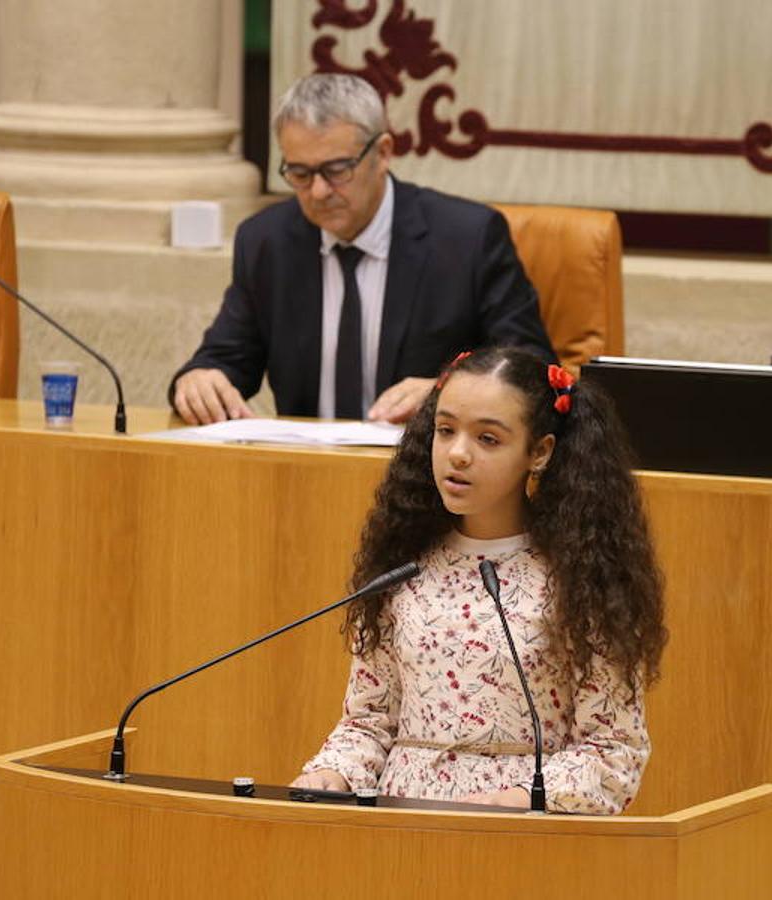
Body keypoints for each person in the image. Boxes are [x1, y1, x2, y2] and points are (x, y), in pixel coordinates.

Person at [291, 347, 667, 813]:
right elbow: (368, 724)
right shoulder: (402, 567)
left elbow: (613, 750)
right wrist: (331, 773)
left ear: (540, 452)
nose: (458, 454)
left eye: (488, 439)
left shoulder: (582, 579)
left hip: (518, 835)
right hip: (398, 834)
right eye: (445, 431)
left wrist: (515, 799)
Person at [170, 74, 555, 425]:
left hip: (430, 481)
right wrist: (199, 379)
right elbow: (224, 359)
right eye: (300, 174)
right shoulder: (267, 242)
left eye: (337, 170)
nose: (318, 192)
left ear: (383, 152)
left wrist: (450, 392)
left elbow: (533, 369)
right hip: (307, 473)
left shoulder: (467, 239)